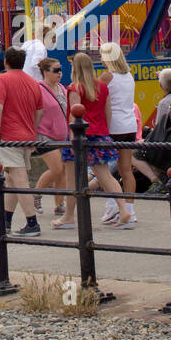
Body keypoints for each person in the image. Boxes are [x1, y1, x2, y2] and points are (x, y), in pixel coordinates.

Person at [52, 52, 132, 230]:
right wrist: (105, 131)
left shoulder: (75, 88)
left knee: (72, 177)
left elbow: (75, 114)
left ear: (75, 68)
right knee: (105, 175)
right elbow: (107, 112)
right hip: (100, 134)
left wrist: (73, 138)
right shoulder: (102, 86)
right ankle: (123, 209)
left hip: (80, 136)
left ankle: (69, 216)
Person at [0, 47, 44, 235]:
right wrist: (32, 129)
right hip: (27, 135)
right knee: (11, 179)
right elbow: (39, 111)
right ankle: (6, 221)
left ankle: (32, 222)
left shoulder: (2, 80)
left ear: (6, 62)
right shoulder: (32, 82)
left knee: (18, 178)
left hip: (9, 136)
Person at [97, 44, 139, 224]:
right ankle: (129, 208)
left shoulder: (107, 76)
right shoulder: (129, 76)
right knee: (126, 169)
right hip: (129, 125)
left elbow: (95, 94)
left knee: (105, 170)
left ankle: (113, 205)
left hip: (112, 126)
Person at [132, 68, 171, 191]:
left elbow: (159, 130)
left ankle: (157, 181)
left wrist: (144, 141)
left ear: (161, 86)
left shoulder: (164, 103)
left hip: (170, 146)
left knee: (134, 153)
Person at [34, 56, 68, 216]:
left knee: (61, 171)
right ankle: (36, 193)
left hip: (62, 134)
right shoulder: (38, 89)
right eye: (56, 70)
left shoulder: (62, 88)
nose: (59, 73)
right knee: (57, 168)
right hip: (44, 134)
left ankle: (59, 203)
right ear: (46, 72)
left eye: (60, 69)